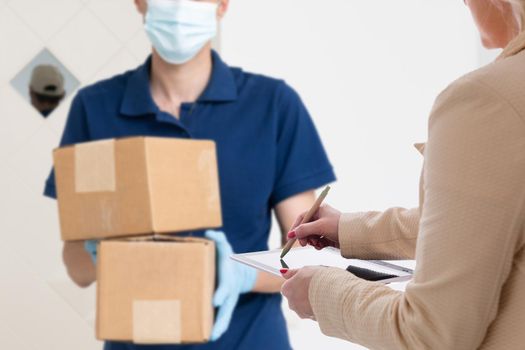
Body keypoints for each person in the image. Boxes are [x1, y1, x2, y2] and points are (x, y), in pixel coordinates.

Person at [43, 0, 335, 349]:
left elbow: (306, 253)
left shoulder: (273, 105)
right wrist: (101, 259)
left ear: (222, 5)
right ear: (140, 3)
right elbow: (76, 267)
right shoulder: (95, 108)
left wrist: (242, 274)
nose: (180, 6)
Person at [281, 0, 525, 349]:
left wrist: (320, 293)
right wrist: (352, 231)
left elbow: (430, 334)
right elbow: (494, 223)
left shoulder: (488, 99)